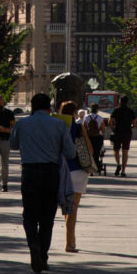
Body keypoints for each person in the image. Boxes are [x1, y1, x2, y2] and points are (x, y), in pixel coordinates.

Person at [10, 92, 76, 273]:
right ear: (49, 108)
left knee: (29, 215)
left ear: (32, 107)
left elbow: (13, 145)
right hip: (50, 173)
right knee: (47, 218)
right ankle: (43, 256)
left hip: (29, 172)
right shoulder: (59, 124)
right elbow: (71, 153)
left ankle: (33, 244)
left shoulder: (22, 123)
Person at [59, 101, 89, 253]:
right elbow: (88, 147)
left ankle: (71, 239)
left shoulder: (57, 126)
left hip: (61, 170)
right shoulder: (78, 126)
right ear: (74, 113)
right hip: (77, 169)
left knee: (66, 208)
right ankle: (69, 243)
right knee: (73, 209)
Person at [109, 95, 137, 176]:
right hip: (127, 132)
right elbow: (134, 124)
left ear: (120, 102)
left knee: (116, 150)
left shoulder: (116, 110)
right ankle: (123, 171)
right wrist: (131, 126)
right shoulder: (130, 111)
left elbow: (110, 121)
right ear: (127, 102)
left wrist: (113, 129)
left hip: (117, 132)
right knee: (125, 151)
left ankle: (118, 164)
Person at [84, 103, 106, 168]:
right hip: (98, 137)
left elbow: (84, 128)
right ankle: (97, 165)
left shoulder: (86, 117)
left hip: (89, 137)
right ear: (97, 110)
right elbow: (103, 129)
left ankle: (90, 164)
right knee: (97, 152)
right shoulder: (100, 118)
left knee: (90, 152)